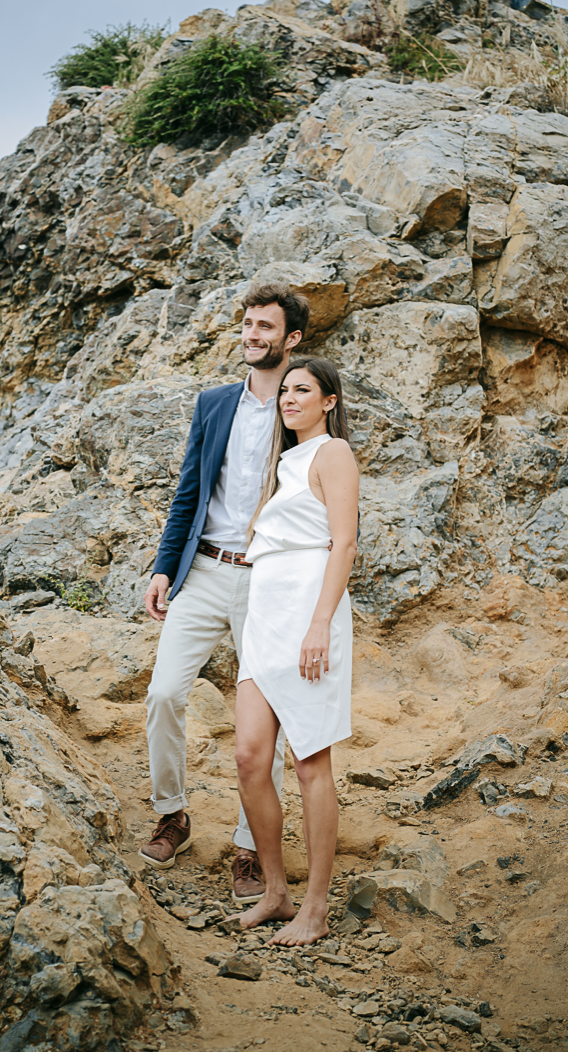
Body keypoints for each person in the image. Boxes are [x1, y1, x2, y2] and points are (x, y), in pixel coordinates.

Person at [139, 283, 311, 904]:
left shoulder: (301, 409)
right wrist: (164, 567)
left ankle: (248, 846)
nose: (252, 335)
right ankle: (172, 815)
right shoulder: (214, 403)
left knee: (266, 724)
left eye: (266, 326)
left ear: (291, 339)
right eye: (248, 324)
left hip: (268, 582)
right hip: (205, 571)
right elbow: (189, 492)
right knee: (162, 693)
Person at [232, 356, 359, 945]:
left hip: (310, 611)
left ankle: (315, 905)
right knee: (251, 758)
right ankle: (277, 891)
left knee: (310, 763)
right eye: (284, 389)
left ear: (328, 400)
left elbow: (344, 541)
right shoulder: (284, 461)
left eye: (302, 390)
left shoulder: (332, 454)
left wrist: (319, 624)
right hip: (266, 613)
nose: (288, 398)